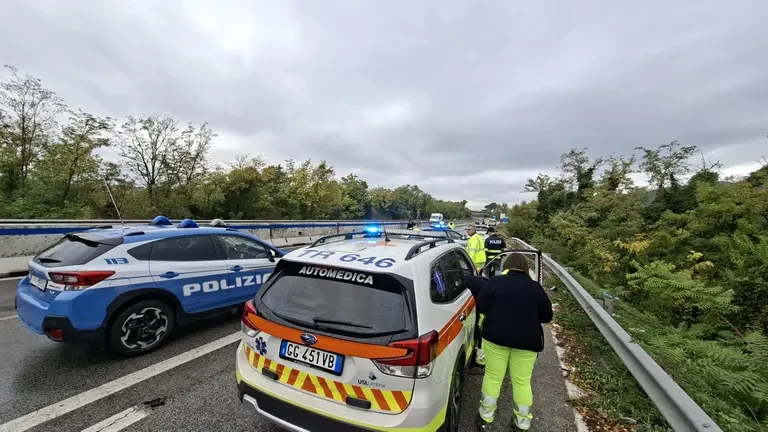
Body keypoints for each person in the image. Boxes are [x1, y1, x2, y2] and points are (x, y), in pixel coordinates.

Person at [475, 253, 554, 431]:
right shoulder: (535, 288)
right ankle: (522, 423)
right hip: (527, 341)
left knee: (493, 377)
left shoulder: (494, 282)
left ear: (506, 267)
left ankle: (485, 420)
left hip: (495, 338)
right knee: (522, 382)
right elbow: (546, 316)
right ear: (526, 268)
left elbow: (481, 306)